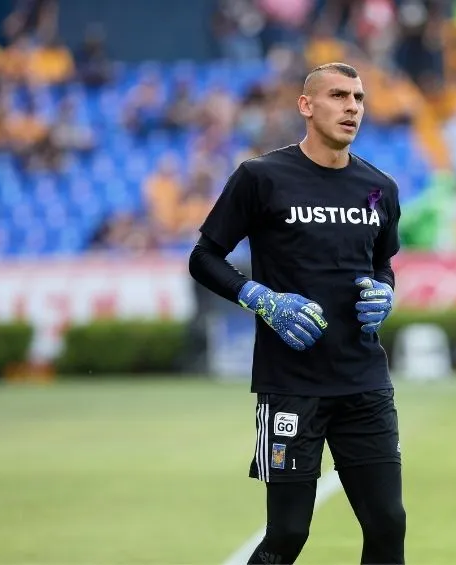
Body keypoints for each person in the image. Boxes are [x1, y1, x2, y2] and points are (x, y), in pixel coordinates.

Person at [188, 62, 405, 564]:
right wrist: (261, 298)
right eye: (338, 95)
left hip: (364, 380)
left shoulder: (380, 188)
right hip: (291, 383)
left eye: (359, 98)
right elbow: (204, 258)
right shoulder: (261, 177)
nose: (352, 107)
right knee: (288, 534)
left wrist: (385, 293)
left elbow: (384, 265)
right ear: (306, 106)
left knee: (388, 523)